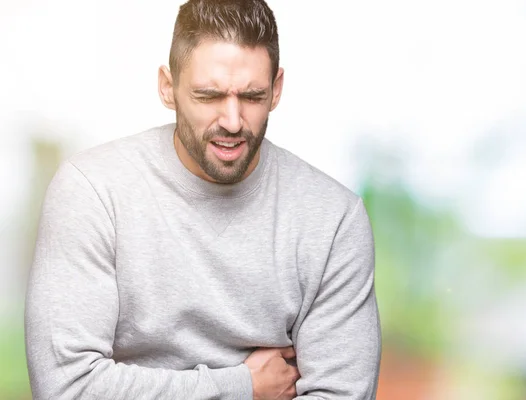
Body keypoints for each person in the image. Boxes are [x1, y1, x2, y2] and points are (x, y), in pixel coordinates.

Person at [24, 0, 381, 398]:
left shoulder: (333, 220)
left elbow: (340, 393)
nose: (231, 120)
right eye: (209, 96)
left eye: (252, 96)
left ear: (276, 90)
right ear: (167, 87)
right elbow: (65, 389)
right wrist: (240, 387)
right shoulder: (92, 191)